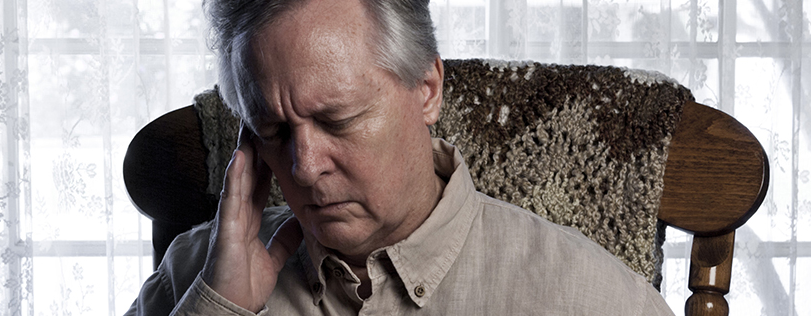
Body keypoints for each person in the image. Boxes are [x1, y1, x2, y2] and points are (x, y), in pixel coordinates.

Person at [126, 0, 675, 314]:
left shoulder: (587, 297)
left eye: (337, 119)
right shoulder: (196, 276)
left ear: (427, 88)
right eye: (272, 130)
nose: (303, 166)